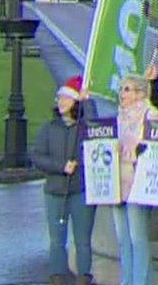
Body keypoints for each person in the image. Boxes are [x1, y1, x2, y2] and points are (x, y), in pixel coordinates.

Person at [33, 76, 95, 285]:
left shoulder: (84, 127)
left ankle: (84, 276)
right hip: (55, 190)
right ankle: (57, 275)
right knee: (57, 240)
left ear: (75, 102)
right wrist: (60, 166)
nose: (60, 102)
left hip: (80, 190)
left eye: (66, 99)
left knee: (83, 239)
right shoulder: (49, 128)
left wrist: (88, 102)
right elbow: (38, 157)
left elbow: (96, 130)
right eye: (59, 98)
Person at [111, 75, 158, 285]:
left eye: (128, 89)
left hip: (138, 181)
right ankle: (127, 280)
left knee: (137, 237)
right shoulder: (119, 117)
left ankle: (141, 281)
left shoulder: (151, 114)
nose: (123, 94)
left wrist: (140, 150)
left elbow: (157, 147)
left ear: (140, 93)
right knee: (123, 239)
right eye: (121, 89)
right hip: (117, 181)